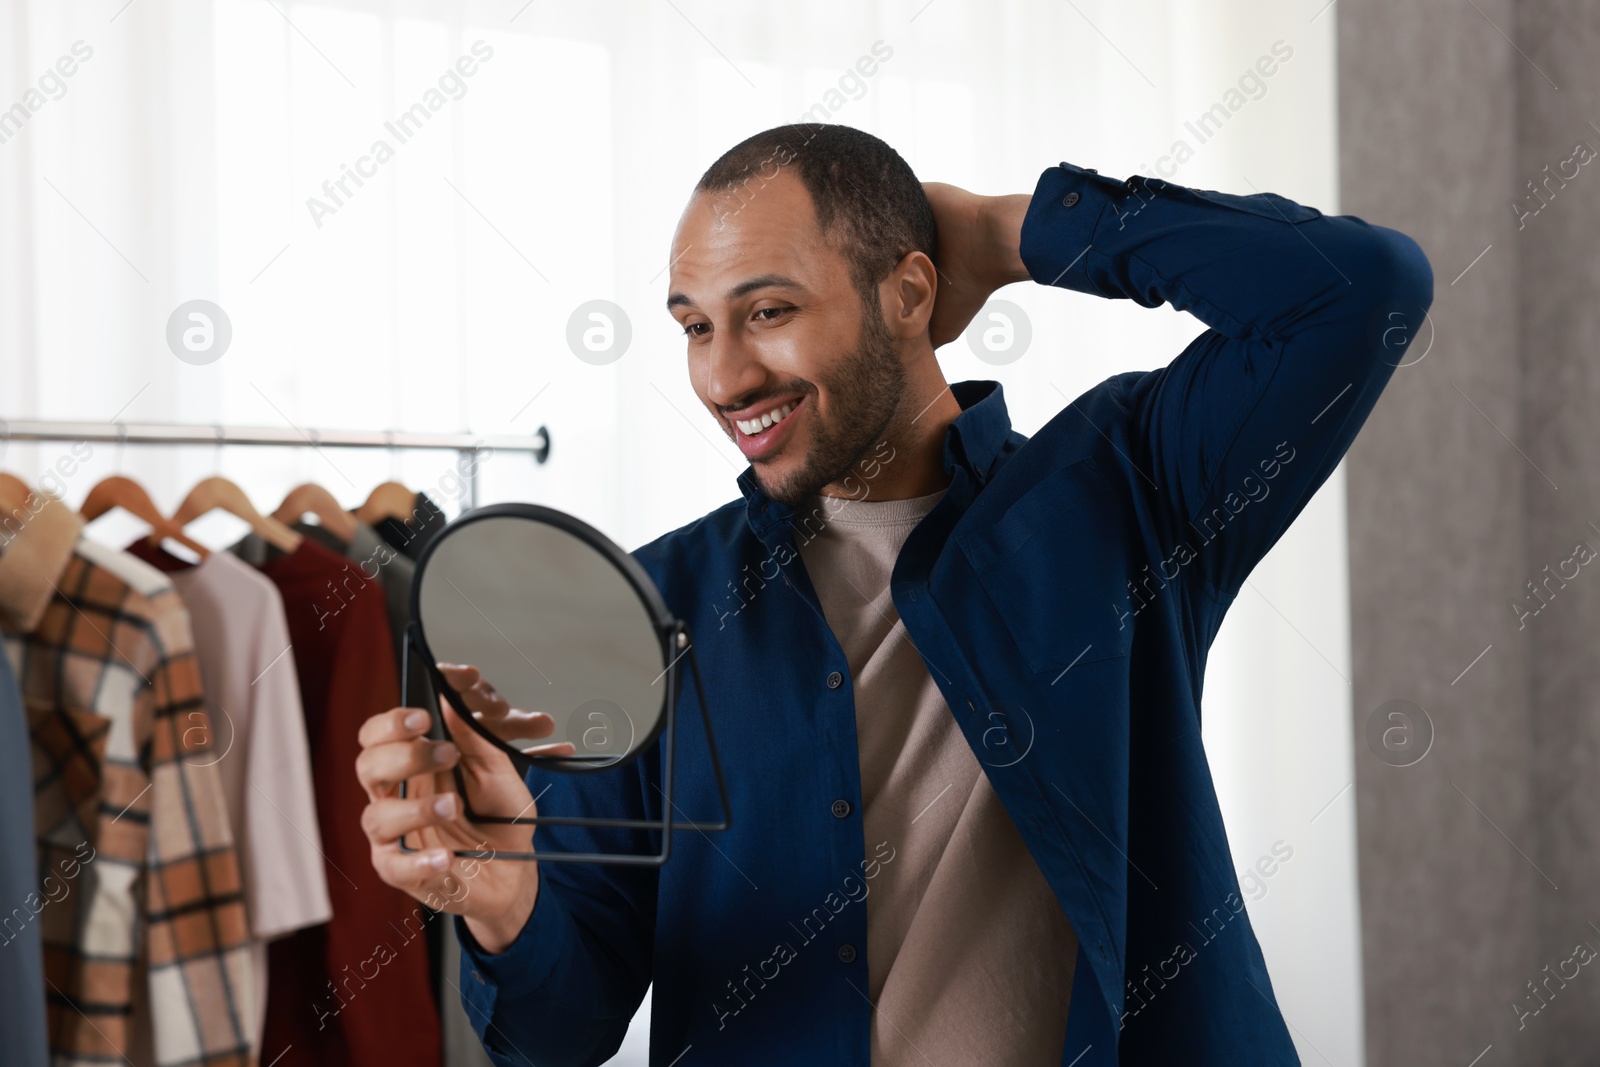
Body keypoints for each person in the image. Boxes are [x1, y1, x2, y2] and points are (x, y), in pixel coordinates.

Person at [355, 123, 1433, 1065]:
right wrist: (504, 906)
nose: (723, 376)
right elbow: (557, 1032)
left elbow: (1359, 290)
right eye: (694, 326)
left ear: (910, 293)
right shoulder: (649, 606)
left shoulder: (1126, 492)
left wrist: (1015, 233)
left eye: (767, 309)